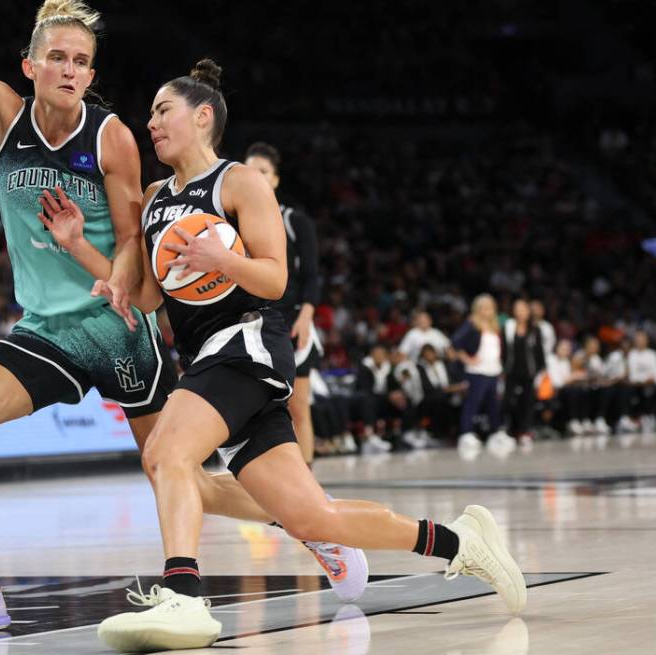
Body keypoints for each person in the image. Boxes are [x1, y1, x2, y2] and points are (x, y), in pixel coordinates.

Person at [0, 0, 359, 637]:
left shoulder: (109, 136)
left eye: (83, 59)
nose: (73, 68)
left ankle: (310, 526)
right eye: (60, 56)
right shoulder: (1, 118)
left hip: (119, 327)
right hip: (47, 327)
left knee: (176, 474)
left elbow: (134, 254)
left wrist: (98, 268)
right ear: (30, 64)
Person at [95, 60, 526, 651]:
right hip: (204, 357)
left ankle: (185, 596)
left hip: (246, 343)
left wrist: (222, 260)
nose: (151, 123)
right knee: (312, 518)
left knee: (166, 454)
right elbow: (147, 295)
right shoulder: (152, 198)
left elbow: (274, 280)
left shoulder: (238, 181)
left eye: (161, 111)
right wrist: (83, 255)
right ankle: (459, 542)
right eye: (148, 115)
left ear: (202, 117)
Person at [244, 142, 322, 465]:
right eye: (249, 171)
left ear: (275, 180)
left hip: (290, 321)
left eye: (262, 172)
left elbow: (313, 275)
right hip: (250, 324)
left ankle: (311, 489)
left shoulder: (294, 220)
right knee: (253, 410)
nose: (255, 177)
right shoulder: (232, 220)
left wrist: (305, 316)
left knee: (298, 407)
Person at [452, 294, 515, 454]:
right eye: (483, 308)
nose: (487, 311)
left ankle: (496, 432)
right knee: (473, 403)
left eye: (489, 307)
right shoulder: (472, 324)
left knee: (494, 404)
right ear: (477, 310)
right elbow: (455, 343)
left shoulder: (495, 326)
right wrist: (467, 359)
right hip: (477, 372)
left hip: (493, 371)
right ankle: (466, 433)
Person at [501, 299, 546, 446]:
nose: (520, 312)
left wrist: (541, 371)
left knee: (527, 402)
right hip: (511, 371)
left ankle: (525, 431)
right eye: (517, 309)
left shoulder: (535, 329)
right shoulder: (508, 326)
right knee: (508, 401)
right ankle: (506, 430)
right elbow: (503, 350)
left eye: (523, 309)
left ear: (528, 312)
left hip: (529, 372)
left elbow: (539, 352)